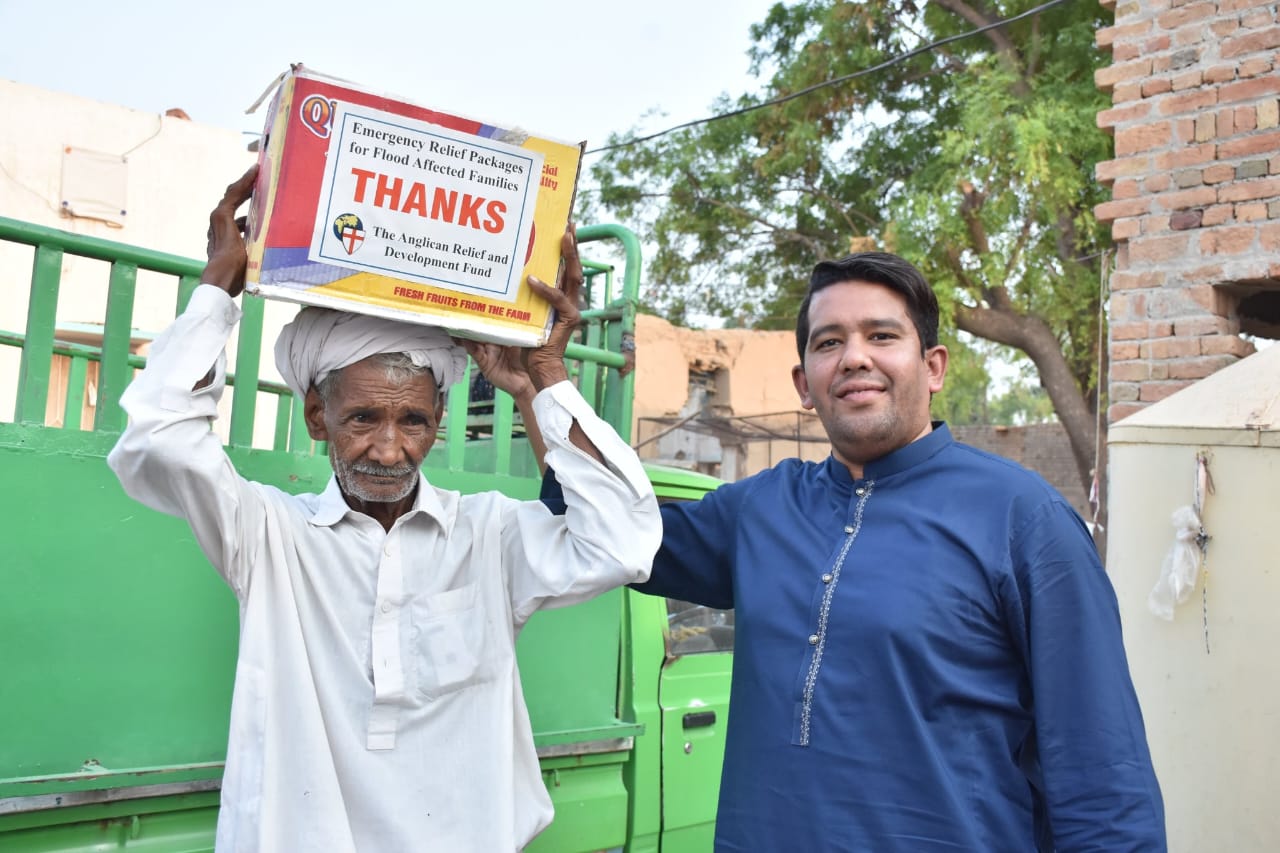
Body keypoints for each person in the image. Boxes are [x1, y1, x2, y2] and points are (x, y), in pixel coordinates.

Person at [107, 166, 661, 852]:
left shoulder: (487, 533)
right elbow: (157, 443)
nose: (391, 449)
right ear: (317, 416)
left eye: (415, 421)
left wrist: (543, 377)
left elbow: (625, 542)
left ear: (437, 422)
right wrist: (219, 289)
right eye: (364, 417)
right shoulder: (270, 536)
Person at [540, 251, 1166, 850]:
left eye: (882, 336)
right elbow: (603, 525)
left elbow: (1100, 765)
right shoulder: (762, 509)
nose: (854, 358)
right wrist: (541, 377)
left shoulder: (1024, 519)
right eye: (829, 342)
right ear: (804, 384)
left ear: (935, 367)